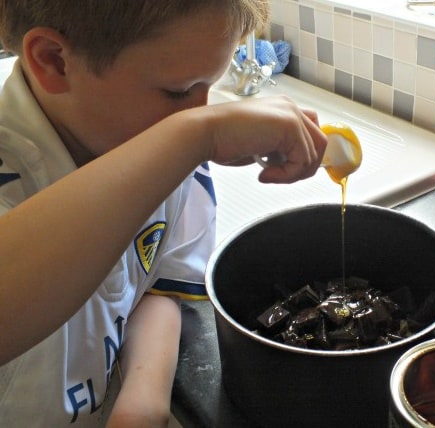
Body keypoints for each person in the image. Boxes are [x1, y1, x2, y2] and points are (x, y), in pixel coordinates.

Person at [0, 1, 327, 426]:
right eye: (178, 90)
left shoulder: (164, 138)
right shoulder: (178, 136)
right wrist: (194, 135)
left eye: (211, 84)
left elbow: (156, 284)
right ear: (53, 60)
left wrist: (143, 396)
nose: (200, 109)